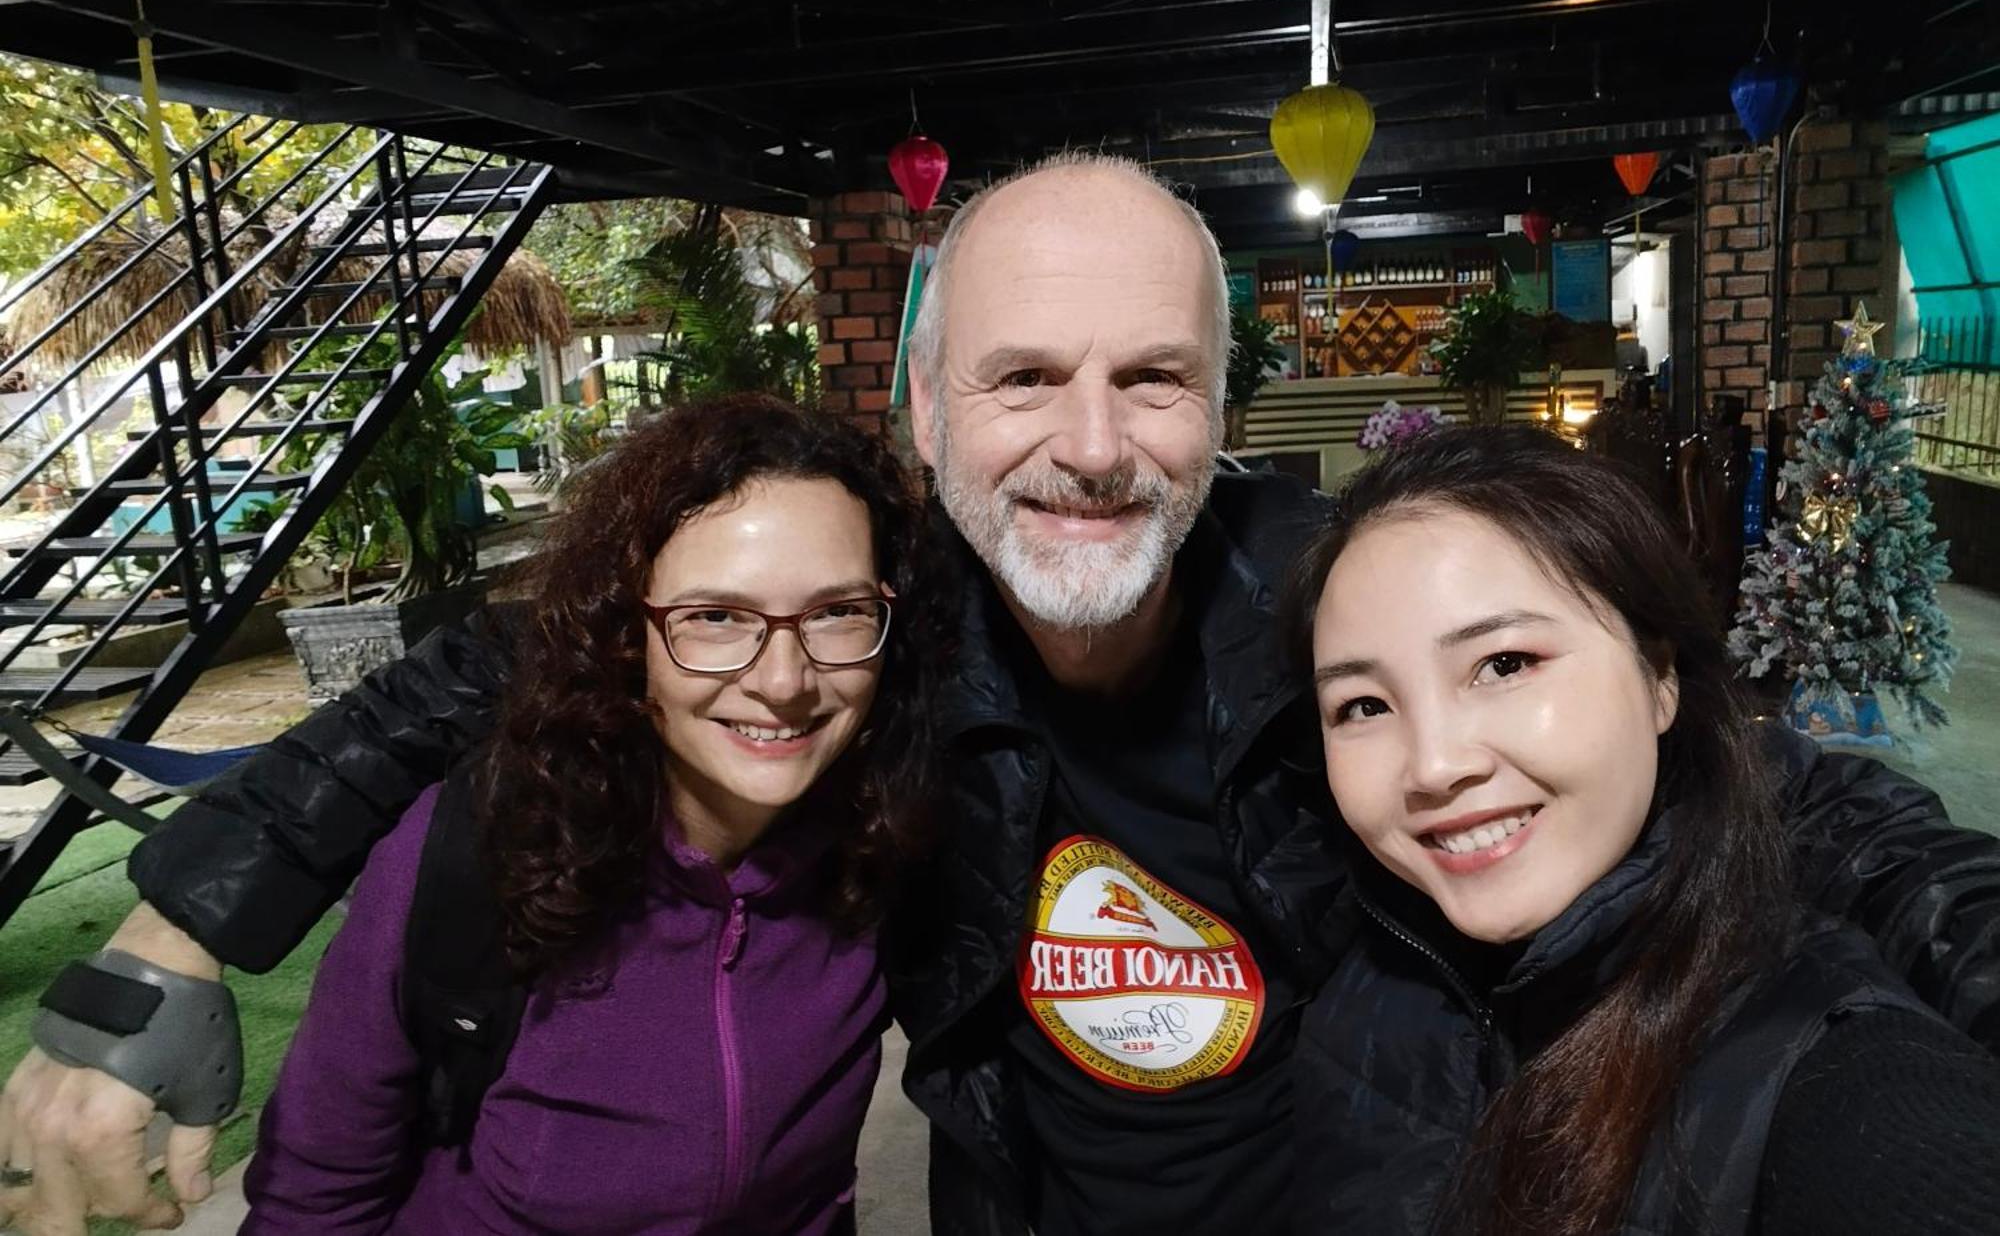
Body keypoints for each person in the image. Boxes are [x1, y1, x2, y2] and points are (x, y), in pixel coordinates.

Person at [5, 153, 2000, 1236]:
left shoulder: (1337, 604)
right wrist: (172, 933)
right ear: (929, 411)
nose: (1088, 445)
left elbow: (1763, 790)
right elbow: (513, 663)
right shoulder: (879, 623)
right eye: (1023, 381)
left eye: (1150, 379)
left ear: (1222, 409)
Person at [242, 394, 939, 1232]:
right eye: (714, 617)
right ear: (625, 634)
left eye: (837, 612)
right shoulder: (478, 848)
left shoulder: (885, 841)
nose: (783, 680)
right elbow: (313, 1198)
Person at [1295, 425, 2000, 1235]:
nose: (1432, 766)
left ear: (1659, 678)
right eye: (1363, 706)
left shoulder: (1818, 1055)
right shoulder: (1361, 955)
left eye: (1505, 664)